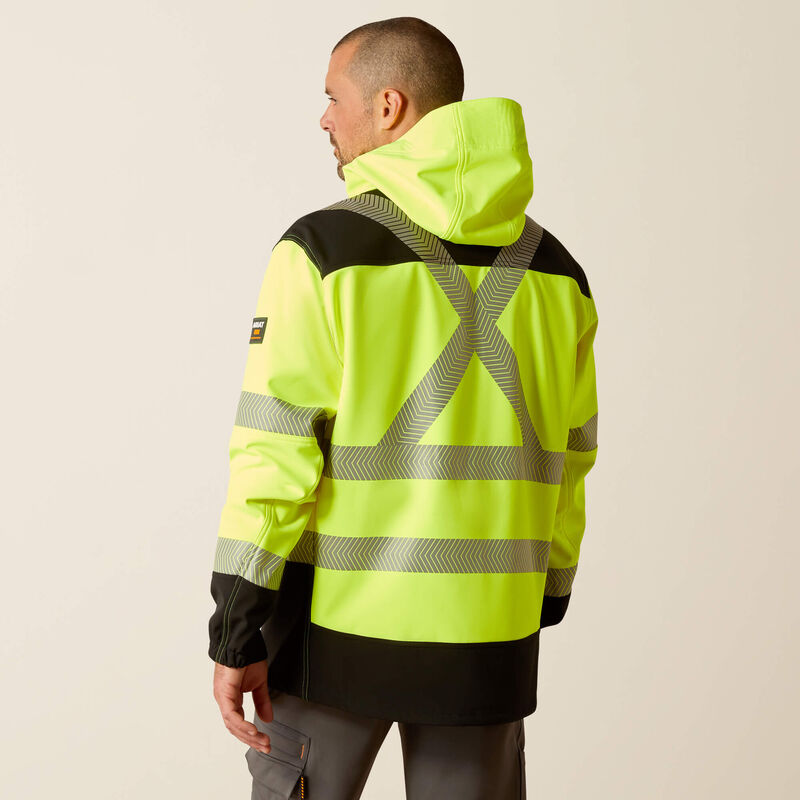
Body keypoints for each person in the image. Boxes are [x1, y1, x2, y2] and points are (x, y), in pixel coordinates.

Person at [208, 16, 599, 800]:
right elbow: (571, 456)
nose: (324, 119)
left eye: (333, 98)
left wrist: (237, 622)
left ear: (388, 106)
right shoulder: (558, 273)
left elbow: (274, 453)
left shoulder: (321, 251)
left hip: (332, 639)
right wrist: (545, 595)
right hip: (490, 636)